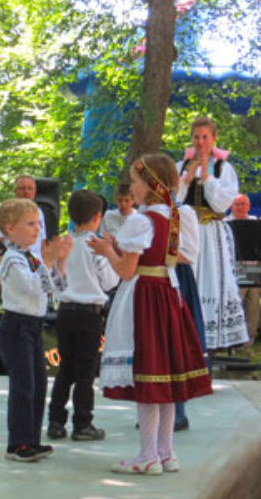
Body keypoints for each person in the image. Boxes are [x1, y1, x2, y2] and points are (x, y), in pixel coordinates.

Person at [90, 153, 212, 475]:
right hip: (168, 295)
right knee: (165, 377)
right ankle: (165, 452)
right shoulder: (175, 217)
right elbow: (183, 257)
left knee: (148, 372)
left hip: (144, 296)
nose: (132, 187)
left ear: (151, 185)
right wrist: (126, 248)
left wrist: (108, 252)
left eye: (136, 181)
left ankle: (147, 454)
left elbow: (127, 271)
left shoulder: (141, 220)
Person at [0, 198, 71, 462]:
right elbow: (30, 286)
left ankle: (31, 439)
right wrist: (48, 262)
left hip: (34, 325)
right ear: (10, 228)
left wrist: (58, 263)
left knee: (38, 384)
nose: (37, 229)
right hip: (16, 325)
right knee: (23, 385)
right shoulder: (11, 259)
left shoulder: (34, 258)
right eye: (30, 224)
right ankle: (17, 443)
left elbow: (54, 289)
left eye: (38, 224)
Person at [46, 190, 119, 442]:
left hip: (65, 312)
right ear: (97, 217)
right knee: (85, 371)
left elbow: (56, 281)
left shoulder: (63, 243)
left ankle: (55, 421)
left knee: (65, 368)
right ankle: (82, 423)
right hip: (89, 314)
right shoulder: (95, 246)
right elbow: (110, 280)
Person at [176, 117, 248, 350]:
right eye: (196, 137)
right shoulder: (180, 166)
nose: (200, 142)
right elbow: (173, 199)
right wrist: (188, 177)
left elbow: (220, 204)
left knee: (212, 280)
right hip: (186, 232)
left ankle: (210, 337)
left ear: (213, 139)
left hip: (211, 233)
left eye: (205, 137)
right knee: (186, 278)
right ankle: (183, 331)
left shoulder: (223, 168)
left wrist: (206, 178)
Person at [172, 201, 207, 432]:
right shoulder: (144, 212)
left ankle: (178, 412)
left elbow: (190, 253)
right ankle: (157, 410)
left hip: (176, 278)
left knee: (177, 343)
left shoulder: (181, 211)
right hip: (151, 280)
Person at [225, 194, 260, 345]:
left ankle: (250, 336)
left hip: (254, 266)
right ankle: (236, 336)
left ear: (248, 206)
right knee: (237, 300)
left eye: (243, 204)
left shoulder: (256, 223)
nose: (240, 207)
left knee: (253, 302)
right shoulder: (225, 224)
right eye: (237, 204)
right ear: (231, 207)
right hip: (234, 267)